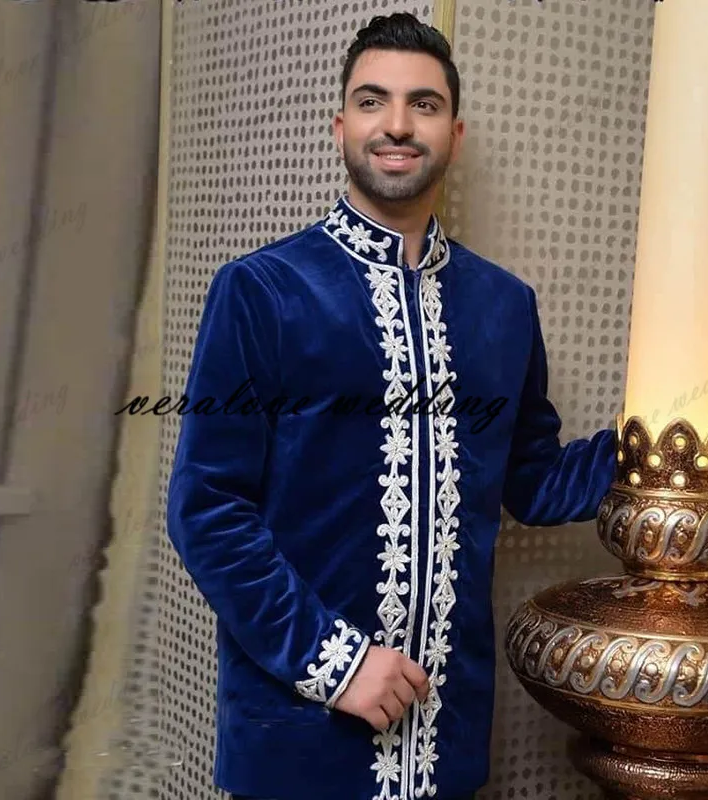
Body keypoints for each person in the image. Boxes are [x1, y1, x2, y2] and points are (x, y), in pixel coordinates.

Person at [166, 12, 616, 800]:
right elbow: (208, 510)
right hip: (298, 741)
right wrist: (336, 663)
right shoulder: (262, 293)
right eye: (373, 101)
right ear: (341, 125)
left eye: (424, 104)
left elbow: (535, 481)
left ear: (455, 134)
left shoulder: (505, 307)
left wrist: (667, 433)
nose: (398, 125)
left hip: (445, 746)